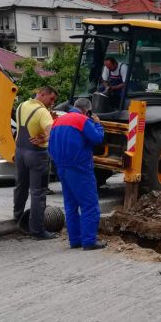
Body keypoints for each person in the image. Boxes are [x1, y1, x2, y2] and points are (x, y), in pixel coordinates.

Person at [48, 97, 107, 250]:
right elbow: (97, 138)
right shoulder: (82, 120)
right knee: (89, 205)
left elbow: (50, 145)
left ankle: (75, 240)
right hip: (80, 168)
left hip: (61, 167)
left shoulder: (58, 121)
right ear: (87, 110)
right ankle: (89, 241)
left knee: (71, 205)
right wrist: (98, 124)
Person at [13, 86, 59, 240]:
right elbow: (52, 132)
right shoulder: (42, 112)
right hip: (37, 155)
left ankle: (17, 217)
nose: (52, 103)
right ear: (42, 94)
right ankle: (37, 230)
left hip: (20, 152)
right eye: (51, 99)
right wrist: (44, 138)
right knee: (38, 193)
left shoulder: (22, 105)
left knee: (21, 185)